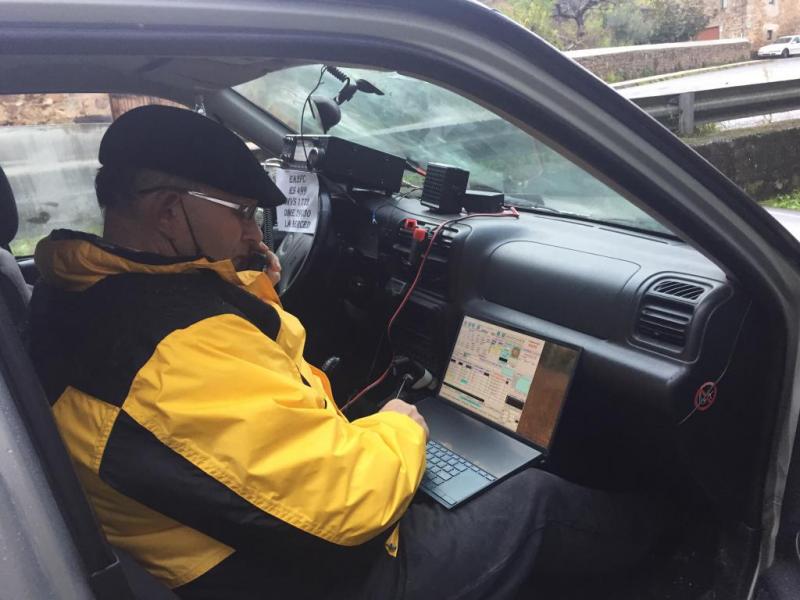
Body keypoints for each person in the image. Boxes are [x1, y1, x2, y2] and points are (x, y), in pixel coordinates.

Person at [28, 105, 663, 600]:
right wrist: (400, 427)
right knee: (535, 501)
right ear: (170, 211)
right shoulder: (173, 349)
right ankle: (680, 546)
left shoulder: (86, 289)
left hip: (229, 541)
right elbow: (350, 503)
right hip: (317, 577)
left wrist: (241, 281)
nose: (254, 232)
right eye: (244, 213)